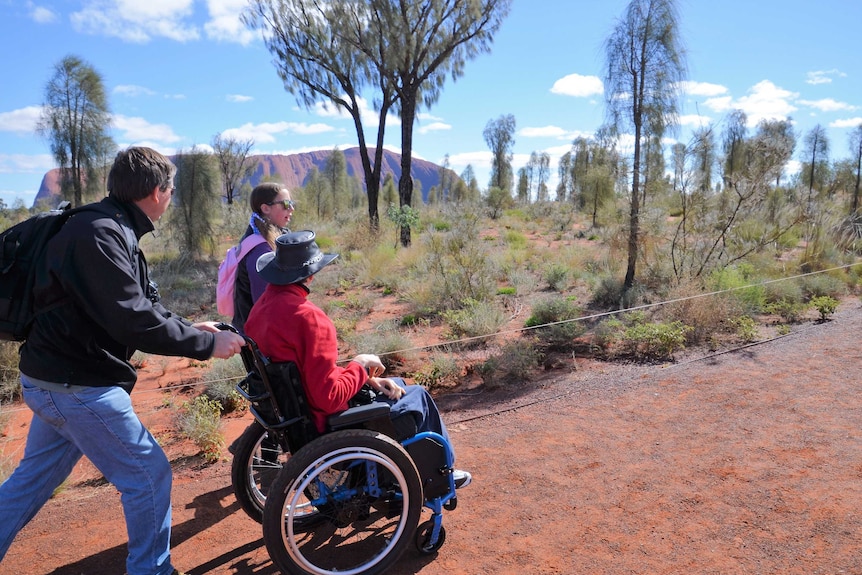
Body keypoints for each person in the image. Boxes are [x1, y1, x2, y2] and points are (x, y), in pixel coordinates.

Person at [0, 147, 246, 575]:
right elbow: (134, 322)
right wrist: (207, 347)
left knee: (31, 481)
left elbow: (140, 305)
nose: (171, 198)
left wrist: (195, 327)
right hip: (77, 386)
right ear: (156, 191)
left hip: (53, 380)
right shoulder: (101, 234)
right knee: (149, 476)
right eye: (170, 189)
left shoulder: (104, 226)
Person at [245, 231, 471, 488]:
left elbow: (304, 374)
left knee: (392, 383)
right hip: (324, 424)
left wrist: (366, 379)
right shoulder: (309, 319)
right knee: (417, 396)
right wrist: (360, 365)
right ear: (310, 274)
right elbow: (328, 398)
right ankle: (441, 476)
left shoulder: (259, 310)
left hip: (291, 415)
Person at [231, 182, 295, 333]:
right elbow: (264, 303)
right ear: (265, 208)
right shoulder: (260, 248)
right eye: (285, 204)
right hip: (260, 334)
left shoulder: (274, 234)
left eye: (291, 203)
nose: (291, 209)